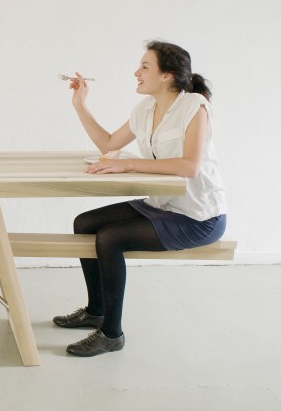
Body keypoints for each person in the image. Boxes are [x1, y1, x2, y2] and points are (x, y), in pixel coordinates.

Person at [54, 41, 227, 357]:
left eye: (145, 66)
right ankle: (96, 310)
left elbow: (189, 166)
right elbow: (108, 143)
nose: (136, 72)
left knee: (109, 238)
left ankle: (111, 334)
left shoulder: (194, 106)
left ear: (167, 75)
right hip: (162, 206)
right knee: (84, 223)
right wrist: (80, 104)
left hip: (198, 217)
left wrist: (128, 163)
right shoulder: (145, 110)